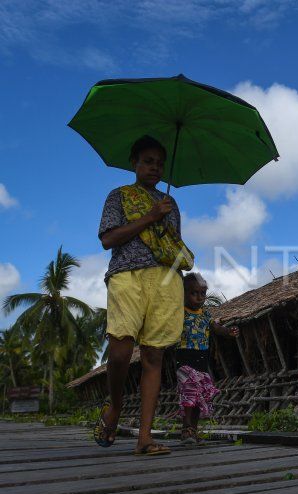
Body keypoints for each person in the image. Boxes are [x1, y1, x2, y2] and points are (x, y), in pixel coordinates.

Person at [93, 135, 194, 456]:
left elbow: (172, 244)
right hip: (126, 275)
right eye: (148, 161)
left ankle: (144, 438)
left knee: (153, 356)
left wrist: (163, 220)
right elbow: (109, 239)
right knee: (120, 352)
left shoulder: (171, 204)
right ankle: (116, 407)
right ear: (134, 164)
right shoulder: (119, 196)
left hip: (166, 279)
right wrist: (150, 216)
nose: (155, 168)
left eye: (160, 163)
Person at [176, 273, 238, 445]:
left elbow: (216, 328)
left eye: (202, 293)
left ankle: (192, 431)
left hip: (201, 360)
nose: (199, 297)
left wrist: (228, 332)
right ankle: (187, 428)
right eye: (194, 293)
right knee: (189, 393)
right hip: (184, 359)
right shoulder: (179, 313)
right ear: (183, 294)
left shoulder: (206, 315)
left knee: (198, 396)